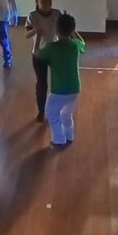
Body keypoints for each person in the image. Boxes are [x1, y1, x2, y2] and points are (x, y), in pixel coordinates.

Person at [35, 13, 85, 148]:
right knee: (66, 114)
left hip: (59, 90)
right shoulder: (75, 45)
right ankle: (69, 135)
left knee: (52, 112)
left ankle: (59, 139)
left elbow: (37, 54)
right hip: (75, 88)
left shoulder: (51, 47)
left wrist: (38, 36)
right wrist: (74, 32)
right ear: (72, 29)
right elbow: (83, 43)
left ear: (56, 29)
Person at [25, 0, 62, 121]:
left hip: (55, 53)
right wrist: (35, 31)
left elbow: (63, 30)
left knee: (57, 82)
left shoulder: (57, 14)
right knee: (42, 84)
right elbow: (27, 34)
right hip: (39, 54)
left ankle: (56, 109)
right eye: (43, 1)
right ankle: (41, 111)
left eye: (49, 1)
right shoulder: (32, 16)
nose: (47, 4)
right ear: (37, 1)